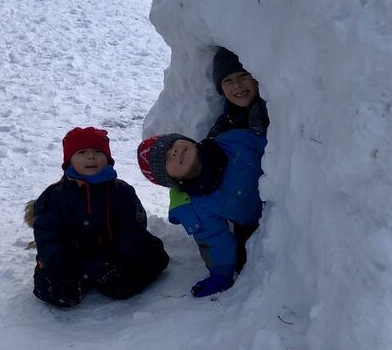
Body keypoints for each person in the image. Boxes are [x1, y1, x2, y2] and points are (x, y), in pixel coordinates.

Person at [28, 126, 169, 308]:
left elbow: (133, 226)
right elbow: (46, 235)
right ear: (69, 161)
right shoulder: (55, 196)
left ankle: (105, 277)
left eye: (98, 152)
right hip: (74, 260)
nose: (91, 156)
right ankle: (76, 281)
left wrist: (120, 257)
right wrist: (61, 263)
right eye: (82, 152)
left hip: (112, 256)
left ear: (108, 159)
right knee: (60, 293)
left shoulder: (122, 191)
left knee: (150, 260)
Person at [137, 127, 265, 298]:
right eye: (167, 159)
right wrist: (221, 274)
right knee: (249, 260)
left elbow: (279, 148)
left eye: (172, 145)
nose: (174, 152)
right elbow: (214, 239)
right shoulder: (197, 204)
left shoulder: (234, 141)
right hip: (259, 223)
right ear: (171, 180)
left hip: (294, 199)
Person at [207, 48, 268, 139]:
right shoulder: (224, 125)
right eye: (228, 80)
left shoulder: (270, 107)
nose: (237, 85)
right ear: (222, 90)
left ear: (255, 77)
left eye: (243, 75)